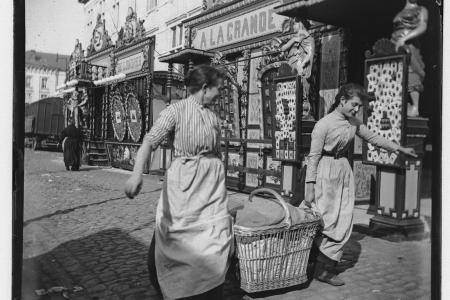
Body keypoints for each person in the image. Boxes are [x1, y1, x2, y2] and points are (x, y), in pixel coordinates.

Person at [124, 65, 233, 299]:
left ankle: (208, 287)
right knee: (176, 237)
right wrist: (136, 174)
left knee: (214, 237)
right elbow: (148, 142)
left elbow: (217, 153)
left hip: (211, 188)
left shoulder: (213, 117)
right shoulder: (176, 111)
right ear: (205, 88)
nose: (220, 94)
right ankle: (169, 284)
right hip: (184, 186)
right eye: (218, 89)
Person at [303, 83, 417, 286]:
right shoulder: (323, 124)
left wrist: (399, 148)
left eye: (359, 107)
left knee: (344, 218)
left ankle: (324, 268)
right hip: (325, 173)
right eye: (354, 105)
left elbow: (373, 137)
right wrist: (309, 186)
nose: (356, 110)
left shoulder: (353, 122)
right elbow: (313, 157)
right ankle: (318, 266)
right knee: (326, 221)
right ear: (342, 100)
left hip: (343, 172)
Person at [391, 0, 428, 117]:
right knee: (396, 73)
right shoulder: (401, 11)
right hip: (395, 44)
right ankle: (402, 104)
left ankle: (415, 107)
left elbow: (423, 26)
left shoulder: (421, 9)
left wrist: (405, 38)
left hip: (408, 45)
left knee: (412, 70)